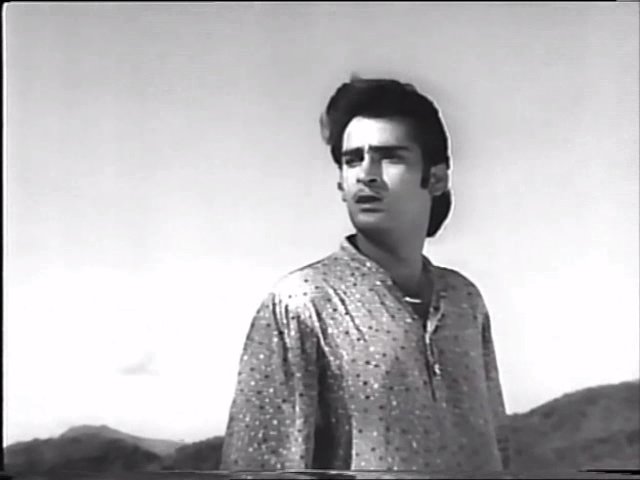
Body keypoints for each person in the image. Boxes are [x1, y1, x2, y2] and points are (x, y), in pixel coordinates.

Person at [220, 76, 511, 473]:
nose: (366, 174)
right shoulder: (302, 303)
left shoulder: (464, 300)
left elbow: (498, 450)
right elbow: (259, 469)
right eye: (353, 159)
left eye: (390, 157)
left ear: (436, 178)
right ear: (341, 183)